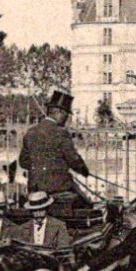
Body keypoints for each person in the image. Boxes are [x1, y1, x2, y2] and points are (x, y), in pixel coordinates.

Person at [17, 87, 96, 225]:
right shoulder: (60, 132)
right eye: (66, 114)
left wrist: (39, 166)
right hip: (59, 187)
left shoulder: (31, 132)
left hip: (35, 188)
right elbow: (73, 159)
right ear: (59, 113)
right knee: (88, 205)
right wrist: (84, 170)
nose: (67, 118)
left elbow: (23, 162)